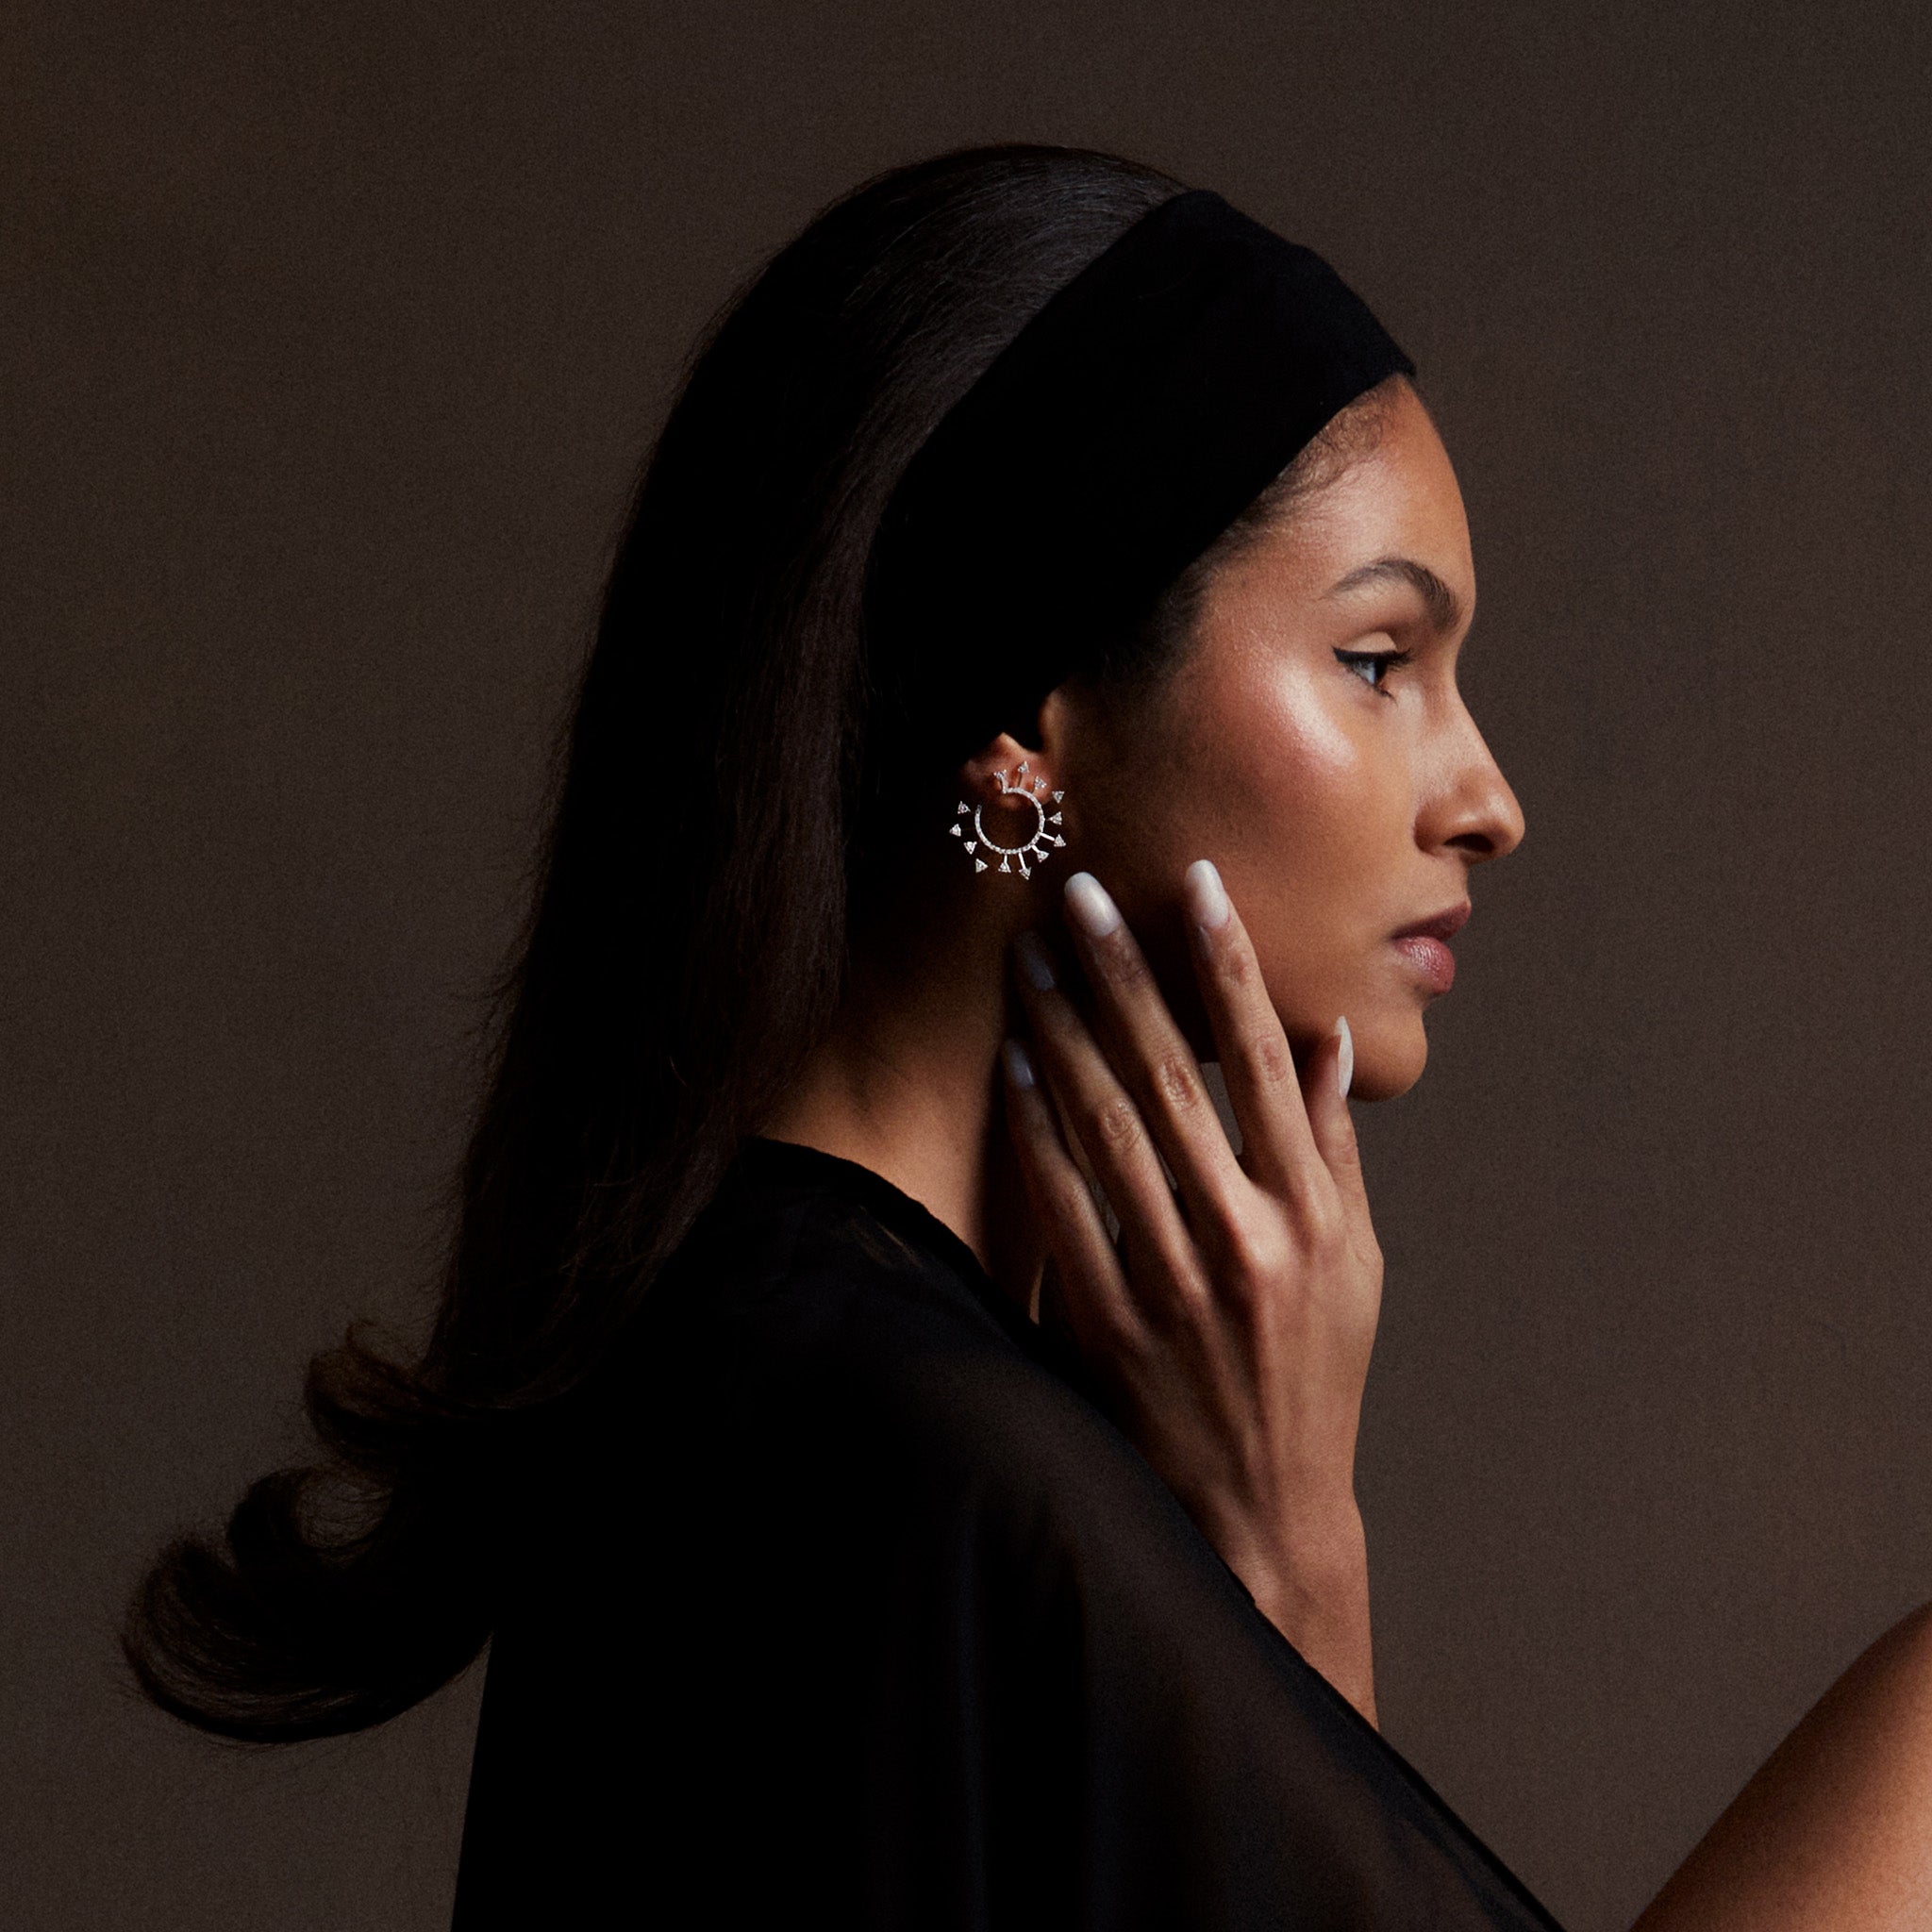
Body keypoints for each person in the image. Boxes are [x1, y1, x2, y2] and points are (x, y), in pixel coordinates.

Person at [125, 143, 1932, 1929]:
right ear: (1026, 729)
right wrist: (1294, 1563)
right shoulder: (911, 1445)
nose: (1488, 798)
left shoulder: (797, 1373)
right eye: (1380, 662)